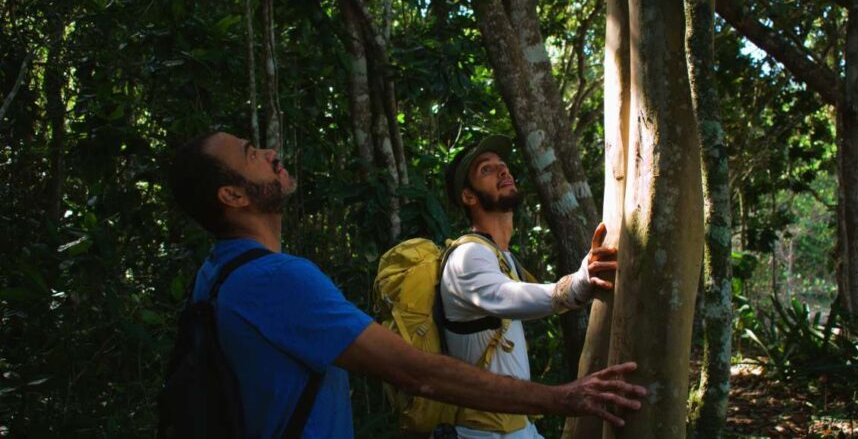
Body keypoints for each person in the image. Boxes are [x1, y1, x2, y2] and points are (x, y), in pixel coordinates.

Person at [169, 131, 645, 438]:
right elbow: (418, 372)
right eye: (253, 155)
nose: (271, 152)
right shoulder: (275, 280)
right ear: (232, 195)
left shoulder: (216, 276)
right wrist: (565, 396)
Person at [439, 135, 618, 439]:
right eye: (487, 170)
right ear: (468, 197)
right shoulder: (468, 255)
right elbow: (505, 296)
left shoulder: (500, 256)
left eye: (503, 166)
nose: (503, 172)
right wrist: (575, 285)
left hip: (518, 428)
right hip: (483, 432)